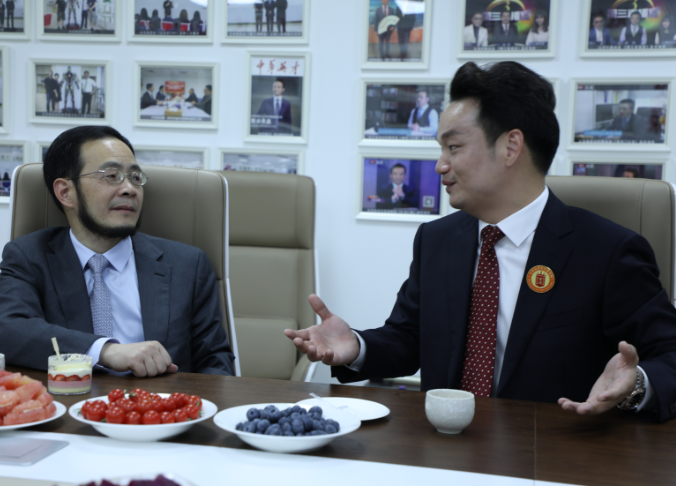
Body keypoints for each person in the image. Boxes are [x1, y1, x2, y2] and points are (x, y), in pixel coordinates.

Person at [285, 60, 676, 423]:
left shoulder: (606, 251)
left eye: (453, 147)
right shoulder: (437, 240)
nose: (440, 165)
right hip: (444, 448)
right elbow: (410, 338)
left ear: (510, 147)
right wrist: (356, 346)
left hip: (554, 454)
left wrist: (637, 383)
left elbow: (670, 353)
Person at [0, 126, 236, 376]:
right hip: (71, 397)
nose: (130, 189)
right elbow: (7, 331)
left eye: (135, 177)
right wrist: (105, 351)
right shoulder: (30, 256)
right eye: (111, 175)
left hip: (160, 400)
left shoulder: (187, 264)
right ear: (66, 192)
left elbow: (215, 364)